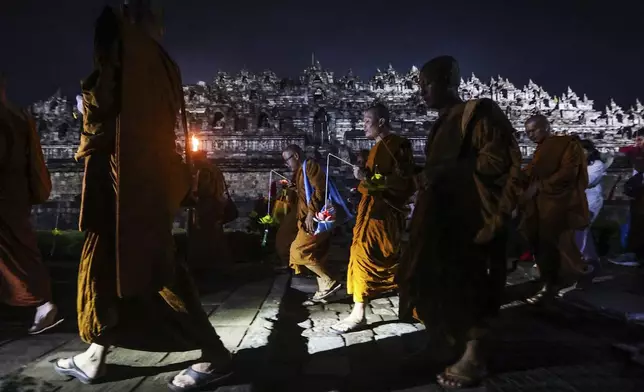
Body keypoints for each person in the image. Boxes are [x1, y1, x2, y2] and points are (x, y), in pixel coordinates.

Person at [52, 3, 233, 390]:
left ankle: (216, 355)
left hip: (126, 174)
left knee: (155, 265)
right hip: (154, 173)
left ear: (129, 11)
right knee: (107, 261)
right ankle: (94, 355)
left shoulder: (118, 37)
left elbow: (102, 104)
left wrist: (85, 116)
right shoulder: (165, 62)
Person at [396, 56, 522, 389]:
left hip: (471, 215)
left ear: (449, 81)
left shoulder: (479, 112)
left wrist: (441, 174)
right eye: (419, 85)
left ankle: (474, 355)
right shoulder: (441, 122)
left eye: (428, 84)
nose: (422, 91)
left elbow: (497, 161)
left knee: (470, 280)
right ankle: (440, 339)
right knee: (430, 276)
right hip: (440, 216)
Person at [331, 103, 416, 333]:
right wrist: (363, 180)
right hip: (370, 213)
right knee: (362, 257)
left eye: (367, 121)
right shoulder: (376, 149)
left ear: (381, 122)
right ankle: (360, 312)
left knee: (381, 260)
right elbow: (376, 179)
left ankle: (414, 293)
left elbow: (404, 183)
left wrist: (366, 180)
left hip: (385, 214)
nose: (363, 126)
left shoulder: (397, 146)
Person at [0, 72, 61, 335]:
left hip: (4, 192)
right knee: (22, 249)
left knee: (12, 252)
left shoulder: (7, 118)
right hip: (17, 193)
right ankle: (42, 303)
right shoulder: (20, 116)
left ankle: (40, 303)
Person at [519, 114, 589, 305]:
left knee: (561, 244)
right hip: (542, 205)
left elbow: (569, 172)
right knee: (543, 245)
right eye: (527, 133)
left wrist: (541, 186)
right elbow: (531, 171)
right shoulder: (540, 151)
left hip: (561, 204)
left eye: (533, 130)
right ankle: (549, 282)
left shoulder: (567, 144)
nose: (530, 135)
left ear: (546, 127)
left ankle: (569, 279)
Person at [283, 144, 341, 301]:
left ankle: (328, 280)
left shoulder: (310, 166)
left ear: (295, 156)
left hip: (315, 219)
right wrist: (295, 188)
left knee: (298, 250)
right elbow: (305, 192)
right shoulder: (301, 170)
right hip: (306, 218)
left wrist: (310, 213)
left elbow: (320, 189)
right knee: (315, 254)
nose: (286, 164)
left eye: (287, 160)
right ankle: (323, 288)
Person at [187, 151, 232, 270]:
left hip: (208, 207)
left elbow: (206, 190)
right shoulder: (215, 169)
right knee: (216, 235)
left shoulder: (204, 171)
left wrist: (194, 193)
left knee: (206, 237)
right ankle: (221, 265)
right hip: (217, 206)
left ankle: (209, 266)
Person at [575, 139, 613, 271]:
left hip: (591, 202)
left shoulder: (596, 165)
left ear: (589, 151)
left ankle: (580, 261)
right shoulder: (577, 163)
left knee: (581, 229)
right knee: (582, 231)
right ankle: (591, 261)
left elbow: (587, 181)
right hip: (578, 201)